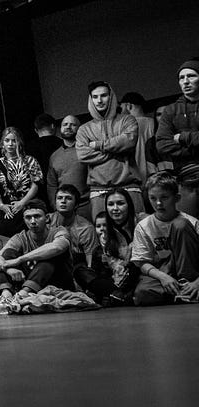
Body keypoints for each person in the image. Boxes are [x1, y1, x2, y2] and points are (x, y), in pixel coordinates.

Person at [77, 81, 143, 221]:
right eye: (95, 97)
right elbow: (83, 155)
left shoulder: (127, 120)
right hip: (99, 190)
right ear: (91, 99)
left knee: (139, 233)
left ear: (111, 96)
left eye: (103, 95)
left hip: (129, 186)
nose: (99, 100)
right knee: (105, 237)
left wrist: (98, 145)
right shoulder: (84, 129)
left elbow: (129, 141)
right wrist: (117, 149)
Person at [131, 173, 199, 306]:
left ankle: (188, 289)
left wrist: (197, 283)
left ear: (176, 198)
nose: (158, 203)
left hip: (192, 273)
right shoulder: (143, 226)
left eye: (164, 197)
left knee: (180, 224)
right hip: (164, 273)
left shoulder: (192, 222)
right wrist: (164, 277)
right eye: (153, 198)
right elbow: (142, 263)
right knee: (142, 294)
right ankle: (185, 294)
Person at [0, 199, 74, 299]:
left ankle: (23, 294)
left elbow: (57, 247)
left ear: (47, 218)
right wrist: (8, 268)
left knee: (48, 255)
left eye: (37, 216)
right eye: (28, 217)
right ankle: (6, 294)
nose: (33, 221)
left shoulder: (59, 231)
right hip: (33, 284)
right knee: (8, 254)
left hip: (59, 282)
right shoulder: (20, 237)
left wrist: (19, 260)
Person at [0, 126, 43, 236]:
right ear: (2, 143)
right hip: (8, 210)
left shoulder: (29, 161)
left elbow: (36, 184)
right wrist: (1, 205)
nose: (10, 144)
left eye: (14, 141)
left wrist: (22, 202)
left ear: (19, 142)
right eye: (7, 140)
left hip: (28, 206)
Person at [155, 59, 199, 173]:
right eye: (181, 78)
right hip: (184, 173)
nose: (186, 81)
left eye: (191, 76)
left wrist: (182, 138)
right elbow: (162, 146)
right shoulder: (171, 110)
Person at [46, 115, 89, 216]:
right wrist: (55, 206)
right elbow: (51, 184)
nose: (68, 127)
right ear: (60, 128)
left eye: (73, 124)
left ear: (80, 128)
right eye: (65, 124)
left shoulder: (87, 150)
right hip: (63, 209)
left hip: (86, 205)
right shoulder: (54, 156)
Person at [120, 92, 156, 183]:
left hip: (137, 176)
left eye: (121, 108)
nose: (120, 112)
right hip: (156, 173)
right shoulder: (155, 123)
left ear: (129, 106)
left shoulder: (126, 126)